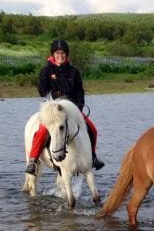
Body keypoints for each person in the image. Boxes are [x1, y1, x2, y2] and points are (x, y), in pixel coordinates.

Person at [25, 39, 104, 174]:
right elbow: (42, 90)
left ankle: (93, 156)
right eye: (57, 53)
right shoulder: (46, 71)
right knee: (42, 131)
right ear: (53, 54)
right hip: (53, 110)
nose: (60, 56)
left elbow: (80, 91)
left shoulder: (74, 72)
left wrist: (79, 107)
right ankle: (33, 160)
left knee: (92, 129)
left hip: (72, 109)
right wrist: (55, 93)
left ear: (66, 54)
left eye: (62, 53)